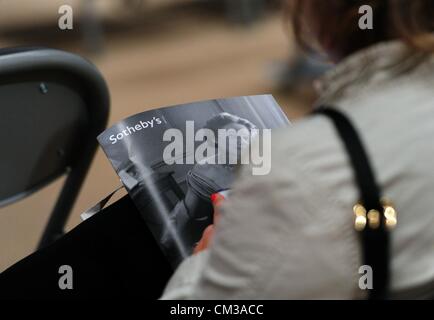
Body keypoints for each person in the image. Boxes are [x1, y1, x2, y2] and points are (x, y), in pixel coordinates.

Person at [161, 0, 434, 299]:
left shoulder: (299, 166)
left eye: (243, 137)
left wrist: (201, 263)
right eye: (230, 142)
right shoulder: (208, 172)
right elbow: (183, 214)